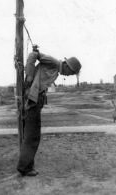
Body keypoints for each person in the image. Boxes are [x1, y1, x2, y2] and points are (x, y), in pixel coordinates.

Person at [16, 48, 82, 177]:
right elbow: (33, 55)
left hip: (35, 101)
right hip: (32, 101)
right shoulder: (53, 62)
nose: (69, 75)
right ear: (67, 66)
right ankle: (24, 168)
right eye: (71, 72)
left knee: (31, 135)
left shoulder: (56, 71)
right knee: (32, 136)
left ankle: (26, 166)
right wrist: (29, 77)